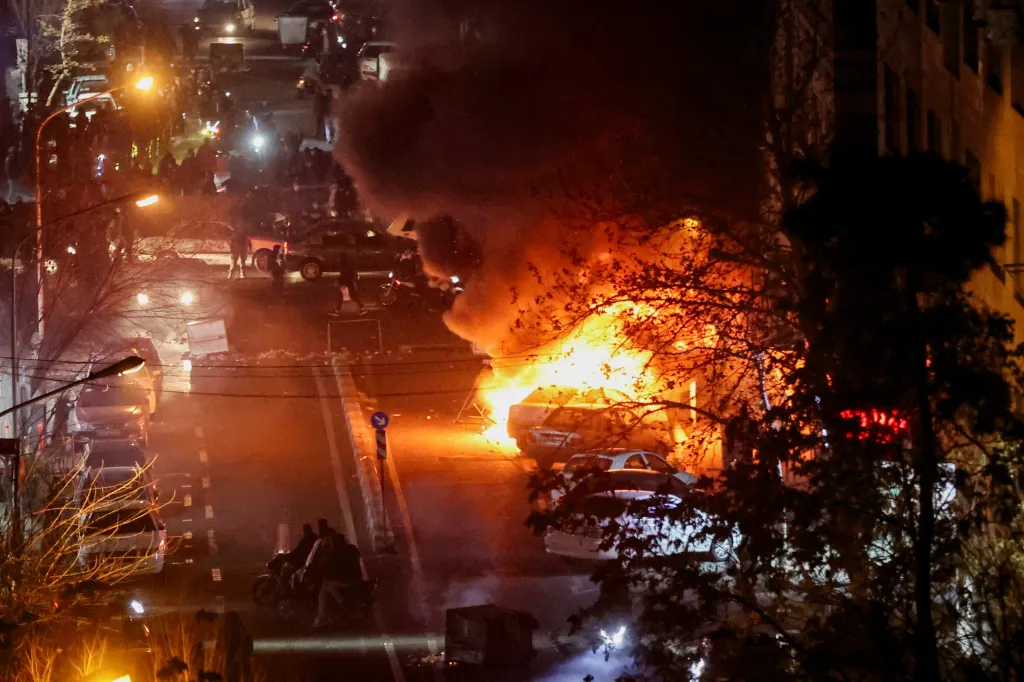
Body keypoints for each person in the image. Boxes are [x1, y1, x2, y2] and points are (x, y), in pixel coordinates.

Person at [312, 532, 363, 628]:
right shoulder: (352, 549)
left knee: (326, 587)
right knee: (327, 586)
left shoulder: (338, 552)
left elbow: (331, 567)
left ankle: (340, 607)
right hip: (356, 577)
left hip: (348, 580)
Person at [331, 249, 365, 315]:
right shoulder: (348, 265)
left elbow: (344, 276)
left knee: (347, 296)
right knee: (352, 296)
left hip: (348, 283)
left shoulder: (343, 267)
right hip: (350, 282)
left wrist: (339, 281)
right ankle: (362, 308)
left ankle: (337, 311)